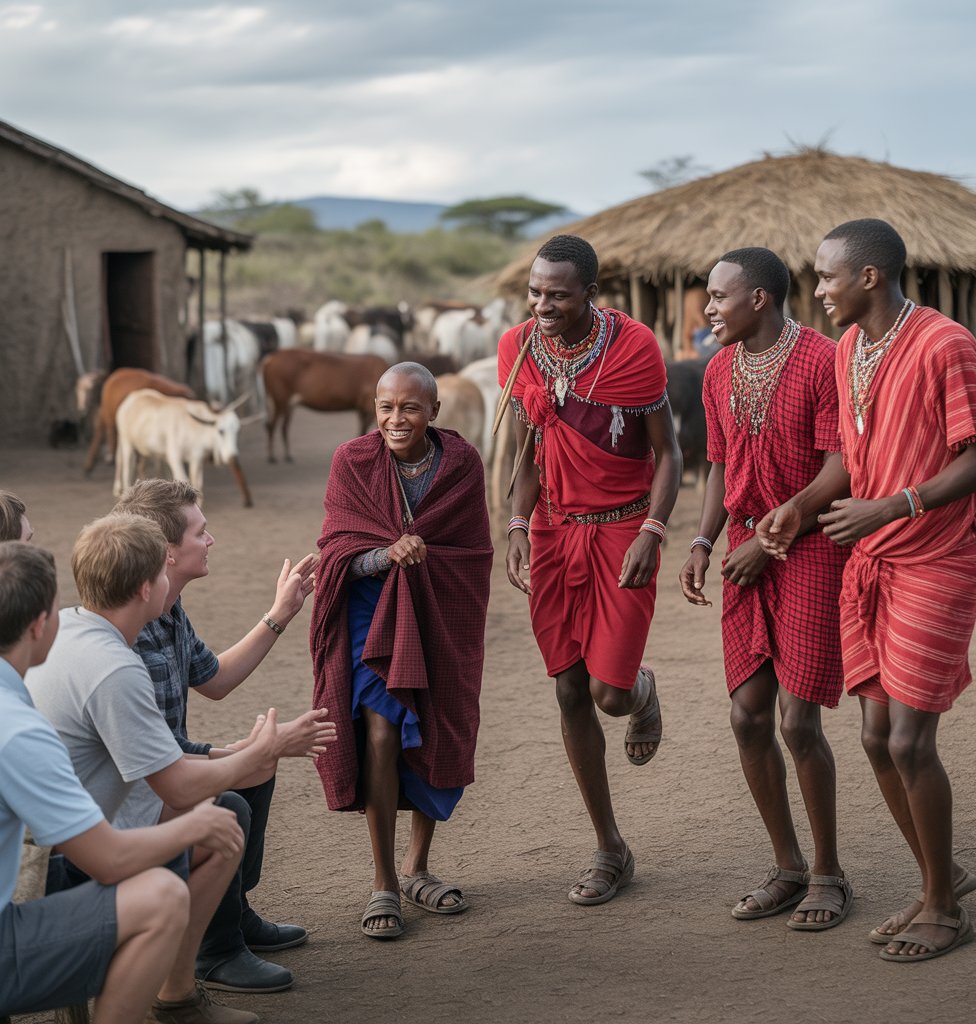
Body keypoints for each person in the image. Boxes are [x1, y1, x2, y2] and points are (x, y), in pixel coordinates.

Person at [757, 218, 976, 962]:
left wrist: (894, 506)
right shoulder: (848, 351)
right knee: (872, 734)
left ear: (868, 277)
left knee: (907, 736)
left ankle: (940, 908)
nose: (818, 289)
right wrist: (798, 509)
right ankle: (943, 875)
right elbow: (852, 460)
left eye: (827, 277)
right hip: (874, 557)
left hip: (939, 552)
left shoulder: (943, 343)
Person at [27, 513, 323, 1022]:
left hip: (45, 842)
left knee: (222, 807)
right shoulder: (115, 667)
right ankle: (177, 996)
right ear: (146, 588)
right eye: (162, 572)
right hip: (53, 864)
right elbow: (178, 785)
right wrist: (262, 751)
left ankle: (198, 968)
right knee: (220, 825)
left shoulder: (72, 628)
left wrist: (248, 755)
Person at [498, 234, 681, 905]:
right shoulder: (518, 349)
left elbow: (670, 454)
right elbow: (528, 452)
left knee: (608, 691)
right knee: (569, 689)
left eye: (558, 294)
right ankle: (610, 847)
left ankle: (641, 692)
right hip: (554, 534)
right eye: (535, 292)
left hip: (625, 531)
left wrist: (655, 532)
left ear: (590, 294)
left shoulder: (633, 350)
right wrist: (517, 525)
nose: (542, 305)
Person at [0, 540, 246, 1023]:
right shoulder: (20, 730)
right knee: (160, 897)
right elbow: (108, 861)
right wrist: (196, 827)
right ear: (37, 626)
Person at [679, 247, 852, 929]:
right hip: (747, 550)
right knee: (747, 715)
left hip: (810, 549)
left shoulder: (821, 359)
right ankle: (785, 865)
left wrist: (771, 538)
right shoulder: (718, 368)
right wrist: (701, 541)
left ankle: (828, 874)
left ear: (759, 298)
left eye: (719, 297)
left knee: (796, 721)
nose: (709, 309)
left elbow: (842, 468)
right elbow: (719, 466)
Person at [112, 479, 333, 994]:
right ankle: (216, 949)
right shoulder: (132, 629)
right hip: (134, 787)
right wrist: (230, 754)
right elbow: (150, 757)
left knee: (255, 765)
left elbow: (215, 681)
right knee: (232, 791)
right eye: (200, 532)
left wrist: (280, 614)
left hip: (158, 768)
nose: (210, 540)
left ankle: (231, 913)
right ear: (167, 552)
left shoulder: (166, 610)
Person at [311, 362, 492, 939]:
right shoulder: (352, 461)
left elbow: (471, 550)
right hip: (372, 617)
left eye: (410, 408)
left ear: (434, 411)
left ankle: (417, 866)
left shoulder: (461, 463)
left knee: (433, 726)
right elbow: (338, 548)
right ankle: (383, 881)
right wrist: (385, 555)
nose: (396, 419)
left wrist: (420, 557)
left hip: (438, 609)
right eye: (386, 407)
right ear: (374, 407)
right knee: (384, 732)